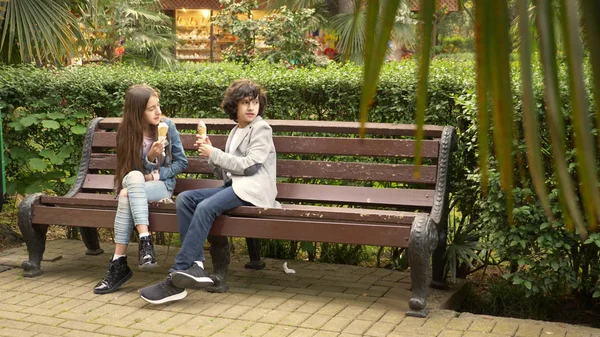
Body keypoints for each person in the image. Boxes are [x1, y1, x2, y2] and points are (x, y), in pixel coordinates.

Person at [139, 79, 280, 304]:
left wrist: (214, 153)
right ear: (235, 106)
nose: (251, 107)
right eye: (245, 103)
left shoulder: (261, 128)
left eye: (254, 102)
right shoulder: (236, 131)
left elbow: (250, 166)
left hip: (255, 191)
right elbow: (227, 173)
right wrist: (210, 154)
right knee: (185, 199)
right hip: (237, 188)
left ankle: (178, 271)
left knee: (205, 208)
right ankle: (195, 264)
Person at [94, 84, 188, 294]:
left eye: (158, 106)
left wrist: (155, 172)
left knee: (126, 196)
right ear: (137, 112)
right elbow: (130, 171)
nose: (158, 112)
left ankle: (119, 263)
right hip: (134, 183)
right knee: (134, 179)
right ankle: (145, 241)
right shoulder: (127, 132)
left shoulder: (168, 126)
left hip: (161, 187)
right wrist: (150, 157)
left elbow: (182, 163)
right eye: (151, 108)